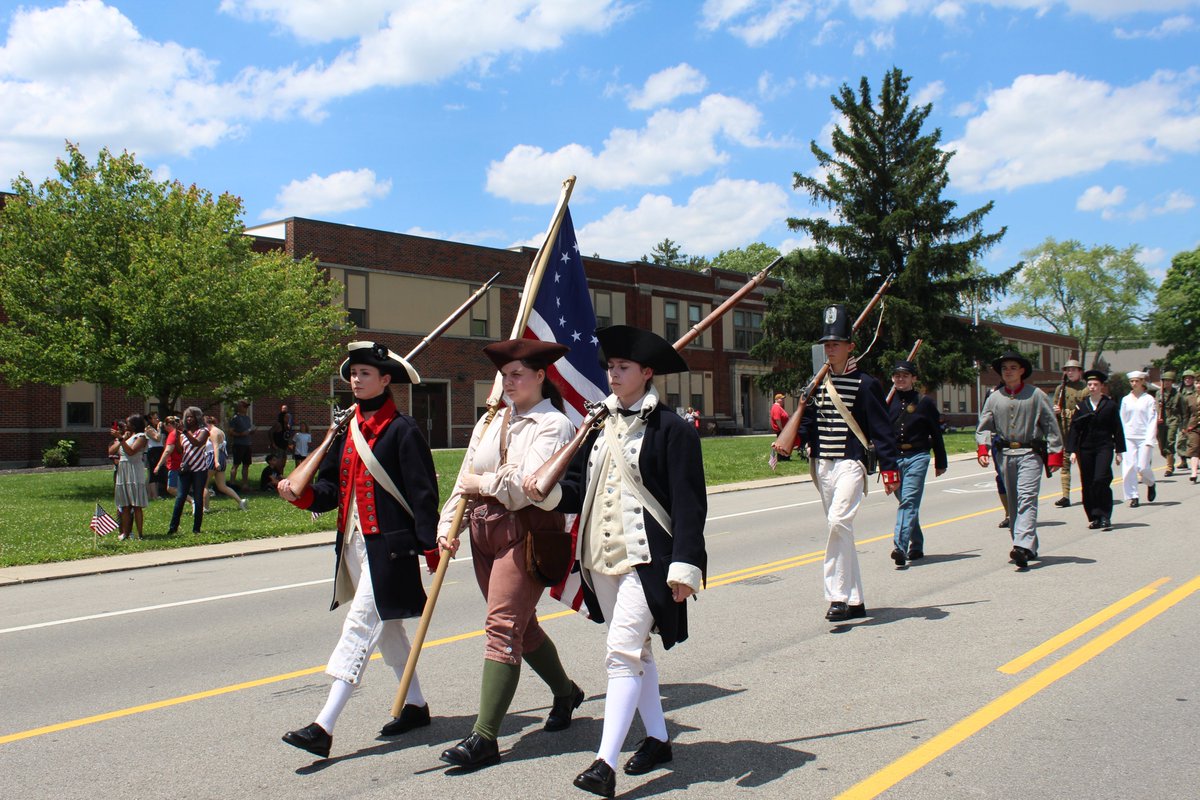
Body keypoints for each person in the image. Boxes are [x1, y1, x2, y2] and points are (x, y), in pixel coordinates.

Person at [523, 325, 707, 799]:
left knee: (621, 653)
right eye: (610, 366)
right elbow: (582, 490)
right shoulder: (600, 426)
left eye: (623, 367)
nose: (613, 373)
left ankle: (604, 764)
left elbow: (689, 504)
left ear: (647, 373)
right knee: (637, 652)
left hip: (647, 561)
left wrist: (686, 566)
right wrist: (547, 496)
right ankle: (660, 740)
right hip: (600, 558)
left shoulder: (673, 429)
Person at [276, 342, 440, 760]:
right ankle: (417, 705)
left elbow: (423, 493)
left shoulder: (403, 429)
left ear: (386, 380)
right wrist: (303, 495)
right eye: (353, 373)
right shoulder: (346, 430)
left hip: (391, 550)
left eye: (365, 373)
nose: (356, 379)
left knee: (359, 625)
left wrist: (430, 545)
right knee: (388, 632)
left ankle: (323, 725)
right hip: (353, 544)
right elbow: (331, 490)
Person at [436, 339, 584, 770]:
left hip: (526, 534)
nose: (509, 381)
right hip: (483, 532)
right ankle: (566, 692)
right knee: (523, 625)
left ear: (541, 377)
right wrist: (448, 527)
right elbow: (464, 480)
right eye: (505, 375)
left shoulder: (552, 425)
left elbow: (525, 490)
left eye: (518, 374)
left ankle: (484, 738)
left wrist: (483, 484)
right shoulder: (491, 420)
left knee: (502, 627)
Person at [785, 305, 899, 620]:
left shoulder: (866, 383)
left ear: (850, 346)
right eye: (827, 344)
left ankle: (836, 597)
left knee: (837, 522)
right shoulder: (817, 382)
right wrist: (795, 441)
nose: (830, 348)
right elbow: (807, 421)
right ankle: (856, 599)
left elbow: (882, 429)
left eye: (836, 343)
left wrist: (890, 467)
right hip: (822, 465)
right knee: (842, 529)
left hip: (851, 462)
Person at [976, 351, 1064, 569]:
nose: (1008, 371)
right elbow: (984, 425)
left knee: (1027, 497)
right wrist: (983, 448)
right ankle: (1028, 546)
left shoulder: (1036, 395)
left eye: (1013, 367)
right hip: (1005, 454)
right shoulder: (994, 397)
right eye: (1005, 368)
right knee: (1014, 502)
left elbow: (1051, 426)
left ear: (1022, 370)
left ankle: (1021, 545)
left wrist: (1055, 453)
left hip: (1029, 453)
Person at [887, 359, 947, 565]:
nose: (900, 379)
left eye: (905, 375)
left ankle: (900, 546)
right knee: (905, 502)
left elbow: (936, 433)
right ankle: (917, 543)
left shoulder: (925, 402)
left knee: (909, 502)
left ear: (914, 378)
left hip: (917, 456)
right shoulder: (886, 401)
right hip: (894, 459)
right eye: (897, 375)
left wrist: (941, 460)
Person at [1065, 369, 1124, 530]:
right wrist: (1071, 451)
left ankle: (1105, 515)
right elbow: (1074, 429)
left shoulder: (1110, 405)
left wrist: (1119, 451)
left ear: (1101, 386)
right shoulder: (1082, 406)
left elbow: (1117, 428)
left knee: (1101, 479)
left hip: (1104, 447)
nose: (1092, 387)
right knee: (1088, 482)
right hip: (1085, 448)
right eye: (1090, 384)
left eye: (1095, 384)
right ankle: (1094, 516)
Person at [167, 407, 212, 535]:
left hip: (199, 469)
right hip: (186, 468)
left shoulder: (204, 431)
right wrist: (176, 436)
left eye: (191, 416)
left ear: (197, 417)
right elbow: (181, 450)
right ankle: (173, 528)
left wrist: (184, 432)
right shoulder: (183, 434)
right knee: (180, 497)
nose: (188, 419)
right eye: (187, 416)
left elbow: (196, 443)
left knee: (198, 498)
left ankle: (196, 529)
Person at [1052, 360, 1088, 507]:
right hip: (1065, 433)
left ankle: (1087, 493)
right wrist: (1056, 411)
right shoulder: (1061, 389)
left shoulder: (1085, 388)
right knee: (1065, 466)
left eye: (1074, 369)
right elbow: (1054, 407)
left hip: (1080, 433)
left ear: (1080, 371)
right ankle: (1065, 496)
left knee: (1084, 466)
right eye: (1068, 370)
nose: (1071, 372)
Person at [1119, 371, 1157, 507]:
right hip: (1129, 437)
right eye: (1132, 381)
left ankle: (1151, 482)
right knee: (1129, 467)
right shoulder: (1125, 400)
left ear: (1142, 382)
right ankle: (1133, 495)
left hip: (1144, 437)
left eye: (1137, 381)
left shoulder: (1149, 399)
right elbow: (1122, 419)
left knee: (1142, 466)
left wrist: (1149, 439)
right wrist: (1119, 439)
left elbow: (1152, 420)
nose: (1134, 384)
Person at [110, 413, 149, 540]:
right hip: (123, 470)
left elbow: (131, 452)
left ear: (135, 425)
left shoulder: (141, 437)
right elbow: (111, 451)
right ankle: (125, 533)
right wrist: (121, 438)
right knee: (125, 505)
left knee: (136, 505)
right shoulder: (126, 436)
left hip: (134, 470)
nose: (126, 425)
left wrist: (121, 439)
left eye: (128, 423)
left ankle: (140, 534)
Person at [204, 415, 248, 512]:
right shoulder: (221, 431)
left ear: (207, 423)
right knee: (222, 486)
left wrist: (216, 461)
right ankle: (241, 502)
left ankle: (205, 508)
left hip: (213, 458)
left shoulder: (213, 432)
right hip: (222, 458)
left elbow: (215, 447)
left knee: (204, 485)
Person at [154, 416, 182, 499]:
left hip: (174, 464)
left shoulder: (172, 435)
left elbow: (167, 451)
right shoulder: (180, 433)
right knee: (179, 487)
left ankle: (192, 501)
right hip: (181, 463)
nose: (165, 428)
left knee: (171, 488)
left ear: (169, 424)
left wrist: (158, 465)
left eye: (165, 426)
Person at [1175, 369, 1197, 472]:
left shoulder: (1196, 390)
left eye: (1189, 378)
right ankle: (1183, 461)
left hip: (1194, 418)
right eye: (1185, 378)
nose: (1187, 380)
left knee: (1194, 441)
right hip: (1183, 418)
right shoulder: (1180, 391)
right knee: (1181, 440)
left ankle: (1195, 459)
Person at [229, 400, 254, 488]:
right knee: (236, 464)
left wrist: (251, 432)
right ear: (239, 407)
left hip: (247, 444)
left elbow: (248, 429)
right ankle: (232, 483)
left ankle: (245, 484)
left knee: (246, 465)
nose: (246, 408)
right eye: (244, 406)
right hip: (238, 444)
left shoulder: (247, 418)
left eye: (247, 406)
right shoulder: (235, 418)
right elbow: (231, 432)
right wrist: (240, 434)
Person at [1182, 377, 1200, 483]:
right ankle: (1193, 473)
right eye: (1197, 382)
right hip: (1193, 427)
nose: (1199, 385)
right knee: (1194, 448)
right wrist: (1185, 427)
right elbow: (1186, 415)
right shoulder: (1189, 398)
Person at [144, 411, 165, 501]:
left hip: (159, 450)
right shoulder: (148, 429)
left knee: (157, 473)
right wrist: (159, 428)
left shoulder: (156, 428)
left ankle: (152, 494)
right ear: (150, 419)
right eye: (155, 418)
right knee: (152, 473)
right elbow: (157, 438)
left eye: (158, 418)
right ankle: (154, 496)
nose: (157, 420)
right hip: (153, 451)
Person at [769, 393, 795, 461]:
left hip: (783, 430)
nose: (783, 400)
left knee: (783, 444)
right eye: (782, 399)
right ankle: (783, 458)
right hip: (781, 430)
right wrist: (782, 430)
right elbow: (777, 419)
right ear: (777, 400)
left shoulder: (779, 407)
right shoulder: (776, 407)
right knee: (782, 445)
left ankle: (784, 457)